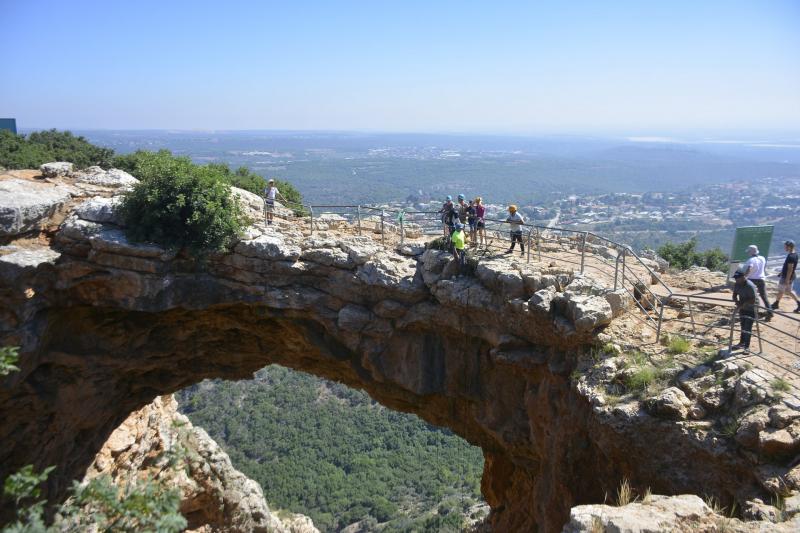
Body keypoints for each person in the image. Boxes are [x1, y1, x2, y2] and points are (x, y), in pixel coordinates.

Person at [742, 244, 773, 320]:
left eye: (748, 252)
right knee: (764, 297)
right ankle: (770, 313)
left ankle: (750, 313)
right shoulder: (762, 258)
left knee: (750, 297)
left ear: (750, 252)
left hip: (752, 280)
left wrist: (744, 278)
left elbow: (749, 268)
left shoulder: (750, 260)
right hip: (761, 279)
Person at [732, 269, 757, 354]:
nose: (736, 279)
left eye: (738, 278)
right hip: (742, 308)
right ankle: (741, 343)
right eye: (735, 278)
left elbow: (753, 299)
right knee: (743, 326)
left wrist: (743, 304)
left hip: (751, 309)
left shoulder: (750, 286)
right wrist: (736, 301)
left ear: (743, 277)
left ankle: (747, 347)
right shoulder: (737, 284)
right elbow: (734, 294)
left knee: (747, 327)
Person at [772, 239, 800, 313]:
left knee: (781, 290)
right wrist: (782, 272)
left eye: (785, 246)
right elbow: (788, 267)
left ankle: (776, 304)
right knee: (789, 291)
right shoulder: (795, 254)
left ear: (790, 247)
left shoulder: (791, 256)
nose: (784, 248)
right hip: (790, 276)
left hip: (786, 277)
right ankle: (799, 303)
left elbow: (790, 269)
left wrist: (787, 279)